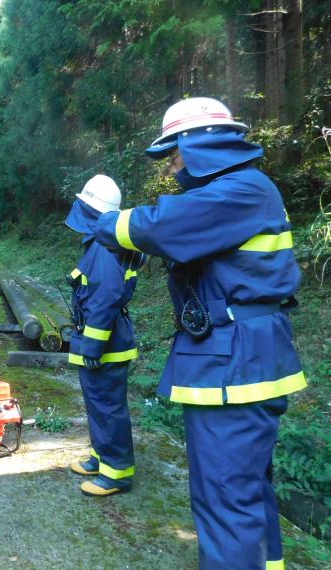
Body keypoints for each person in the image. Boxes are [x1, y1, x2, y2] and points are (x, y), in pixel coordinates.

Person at [93, 97, 306, 569]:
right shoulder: (243, 190)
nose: (171, 168)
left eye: (173, 154)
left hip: (234, 366)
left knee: (224, 497)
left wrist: (101, 223)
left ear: (198, 143)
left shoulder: (239, 191)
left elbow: (162, 226)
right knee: (247, 492)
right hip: (243, 357)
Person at [65, 174, 146, 497]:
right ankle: (101, 457)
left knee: (108, 406)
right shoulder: (104, 243)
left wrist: (93, 344)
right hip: (104, 340)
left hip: (106, 344)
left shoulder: (102, 246)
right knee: (98, 404)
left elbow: (107, 296)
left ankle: (117, 473)